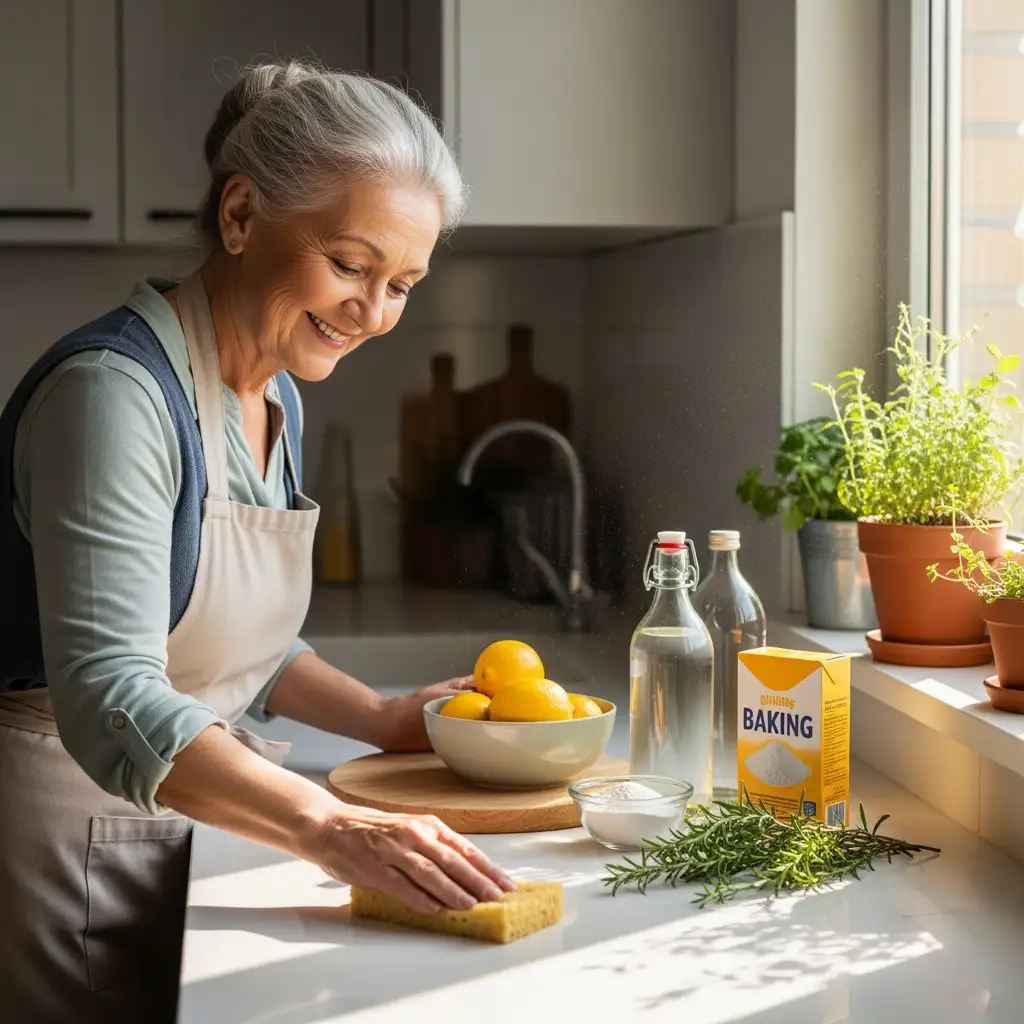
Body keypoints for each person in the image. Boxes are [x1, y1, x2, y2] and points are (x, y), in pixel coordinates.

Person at [0, 61, 513, 1023]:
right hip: (57, 821)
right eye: (351, 265)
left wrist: (386, 719)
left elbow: (221, 630)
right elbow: (112, 689)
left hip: (181, 799)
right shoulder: (112, 397)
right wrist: (331, 824)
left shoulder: (270, 393)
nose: (372, 313)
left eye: (403, 282)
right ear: (240, 217)